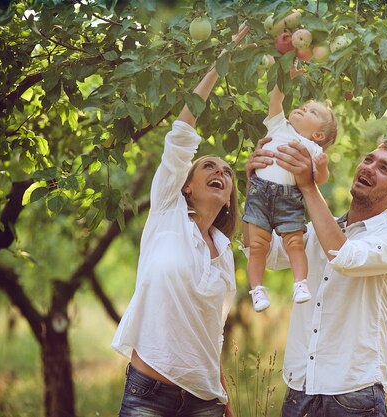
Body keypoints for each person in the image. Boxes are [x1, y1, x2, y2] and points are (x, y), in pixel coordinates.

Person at [111, 22, 249, 417]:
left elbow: (212, 332)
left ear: (227, 202)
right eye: (209, 165)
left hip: (205, 399)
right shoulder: (168, 214)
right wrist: (226, 56)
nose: (220, 170)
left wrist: (223, 397)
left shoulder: (224, 254)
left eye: (227, 172)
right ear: (186, 185)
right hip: (148, 393)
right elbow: (182, 131)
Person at [244, 138, 387, 417]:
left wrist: (308, 185)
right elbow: (265, 253)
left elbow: (343, 256)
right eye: (369, 159)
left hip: (354, 391)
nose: (369, 168)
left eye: (384, 169)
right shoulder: (317, 230)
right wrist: (257, 187)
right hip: (300, 385)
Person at [243, 61, 337, 312]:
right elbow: (276, 100)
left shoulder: (312, 149)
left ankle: (300, 283)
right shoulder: (278, 126)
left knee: (295, 242)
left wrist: (323, 166)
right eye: (303, 107)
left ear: (318, 136)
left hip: (288, 198)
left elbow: (319, 179)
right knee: (257, 246)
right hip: (259, 193)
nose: (302, 109)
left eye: (312, 113)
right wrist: (285, 78)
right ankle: (257, 291)